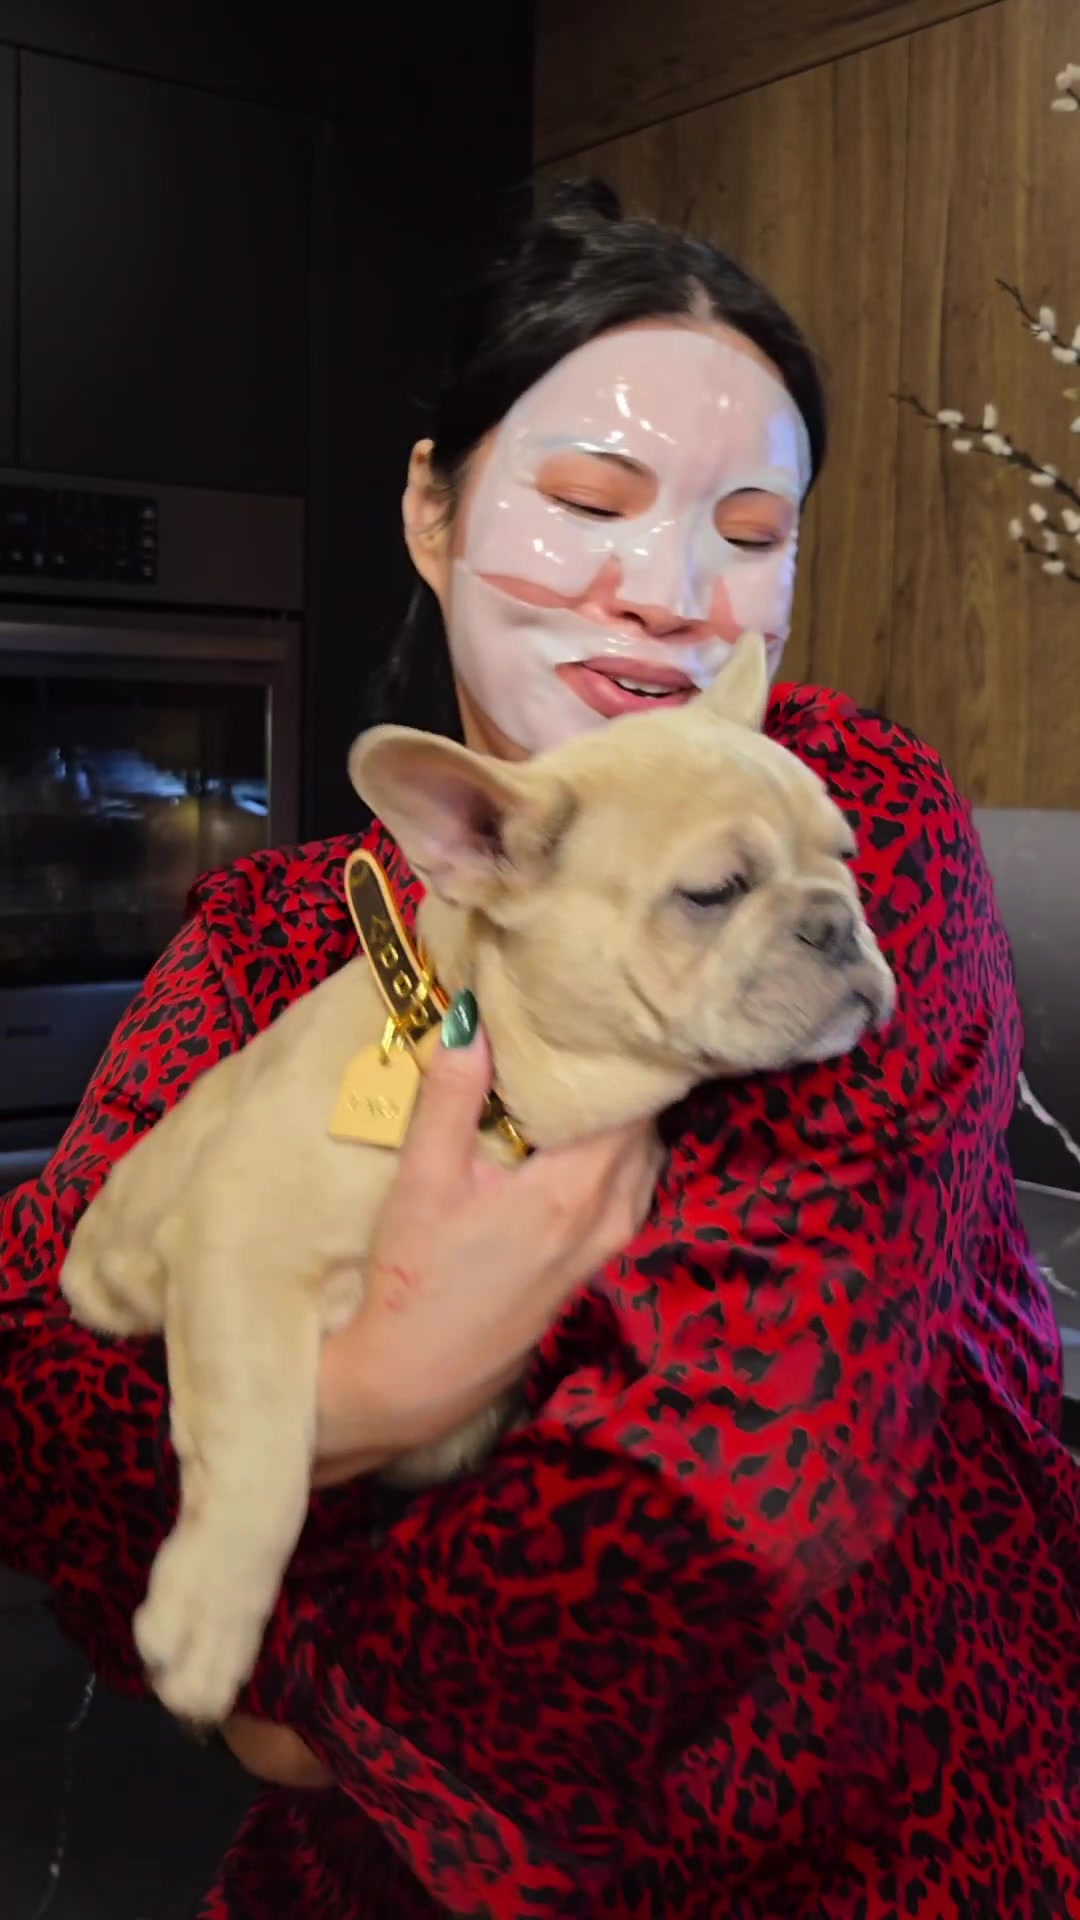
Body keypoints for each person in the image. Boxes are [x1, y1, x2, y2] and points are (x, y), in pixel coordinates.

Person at [1, 182, 1077, 1920]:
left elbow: (726, 1484)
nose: (669, 592)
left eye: (752, 531)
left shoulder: (839, 824)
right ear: (432, 511)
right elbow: (38, 1395)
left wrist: (277, 1667)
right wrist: (367, 1395)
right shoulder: (279, 935)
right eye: (587, 502)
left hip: (886, 1848)